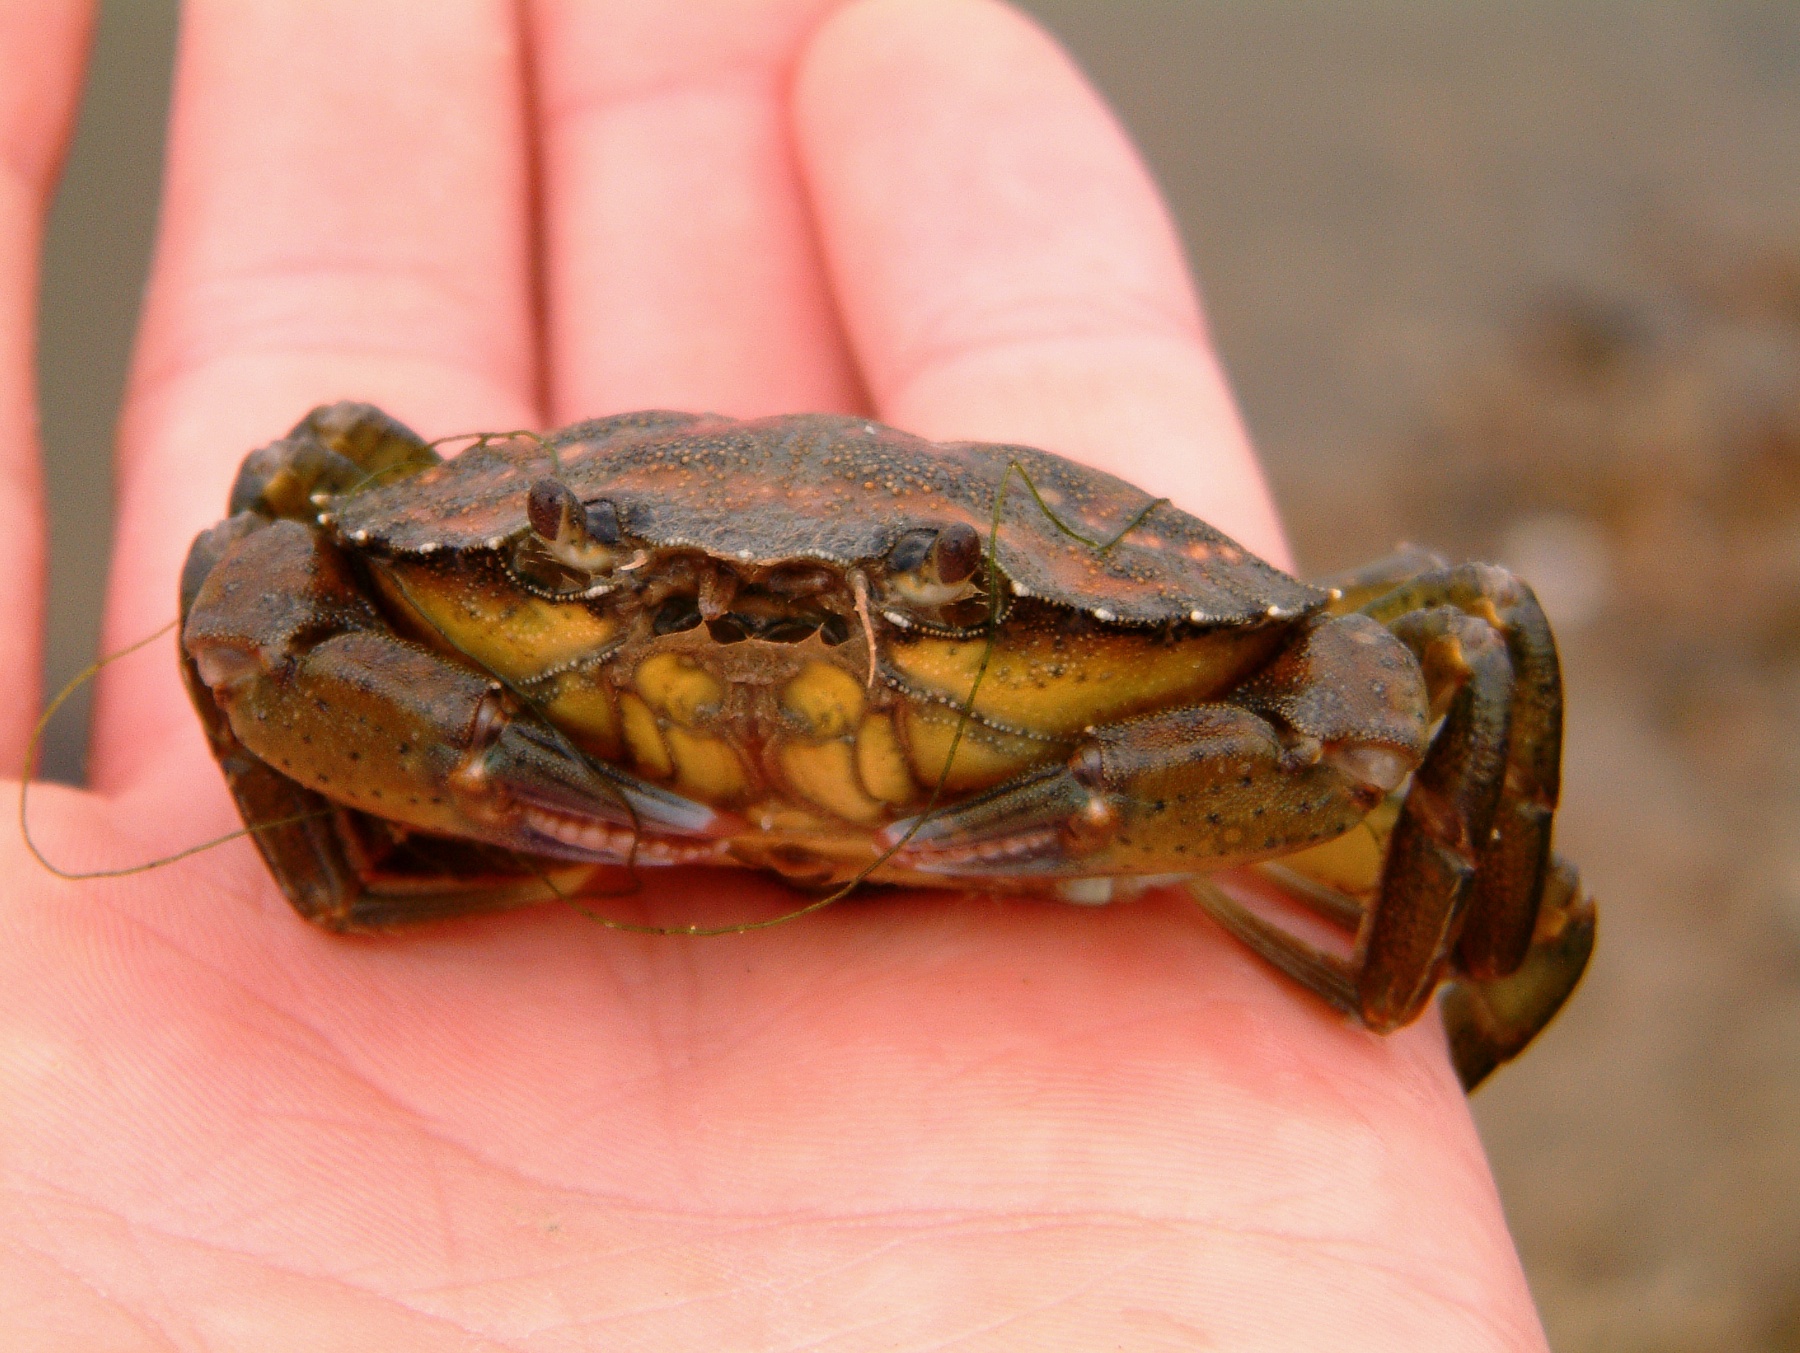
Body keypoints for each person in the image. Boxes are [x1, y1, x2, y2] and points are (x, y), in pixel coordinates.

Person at [0, 2, 1549, 1346]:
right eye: (588, 559)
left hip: (1082, 797)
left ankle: (1387, 985)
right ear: (546, 539)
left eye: (945, 604)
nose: (751, 651)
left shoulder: (1284, 684)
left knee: (1473, 692)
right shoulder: (363, 553)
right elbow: (263, 580)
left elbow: (1402, 676)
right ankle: (346, 869)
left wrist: (1392, 966)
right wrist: (358, 843)